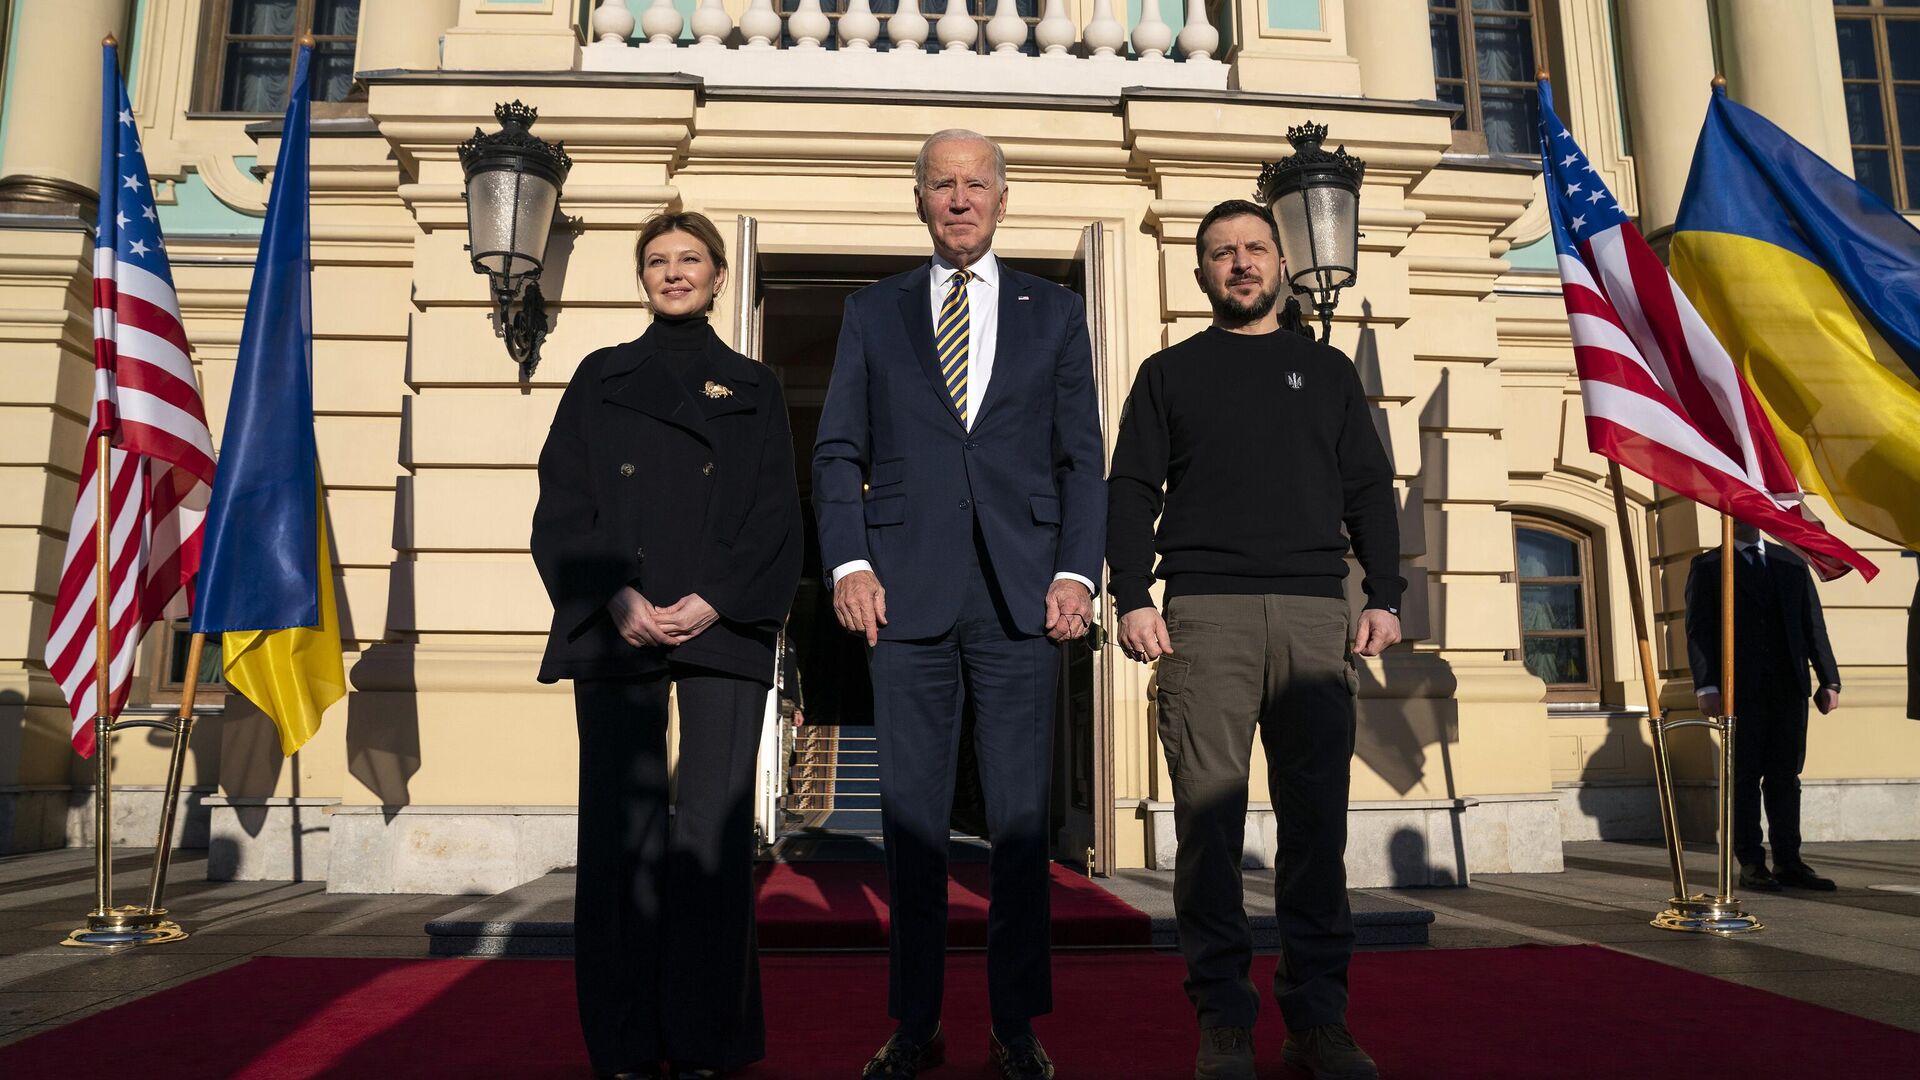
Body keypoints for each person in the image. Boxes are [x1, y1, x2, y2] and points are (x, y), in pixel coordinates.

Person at [812, 129, 1105, 1080]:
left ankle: (1016, 1027)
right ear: (920, 200)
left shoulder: (1055, 311)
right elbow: (837, 453)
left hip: (1024, 595)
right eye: (943, 185)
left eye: (976, 184)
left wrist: (1077, 571)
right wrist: (849, 561)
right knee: (911, 827)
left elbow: (1080, 460)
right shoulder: (871, 311)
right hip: (903, 594)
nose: (960, 199)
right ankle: (917, 1023)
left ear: (1004, 198)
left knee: (1020, 825)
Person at [1107, 199, 1403, 1080]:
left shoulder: (1329, 372)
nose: (1240, 263)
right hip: (1204, 617)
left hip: (1318, 617)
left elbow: (1370, 490)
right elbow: (1129, 490)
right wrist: (1131, 595)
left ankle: (1320, 1023)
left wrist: (1383, 595)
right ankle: (1224, 1023)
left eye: (1255, 249)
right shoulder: (1168, 374)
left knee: (1316, 830)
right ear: (1200, 274)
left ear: (1279, 262)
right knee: (1208, 829)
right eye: (1222, 253)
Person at [531, 211, 803, 1080]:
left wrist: (715, 600)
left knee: (711, 840)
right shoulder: (600, 376)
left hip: (718, 627)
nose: (674, 272)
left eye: (691, 259)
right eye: (658, 260)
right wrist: (615, 595)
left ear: (720, 276)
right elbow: (562, 504)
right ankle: (624, 1043)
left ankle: (707, 1042)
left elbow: (776, 515)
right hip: (618, 627)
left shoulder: (756, 385)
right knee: (621, 837)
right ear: (642, 277)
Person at [1685, 523, 1842, 893]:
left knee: (1786, 777)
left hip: (1789, 688)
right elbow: (1699, 629)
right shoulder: (1710, 565)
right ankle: (1752, 863)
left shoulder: (1790, 561)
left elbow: (1812, 625)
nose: (1747, 519)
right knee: (1744, 777)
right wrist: (1707, 685)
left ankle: (1790, 861)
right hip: (1738, 691)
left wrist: (1829, 679)